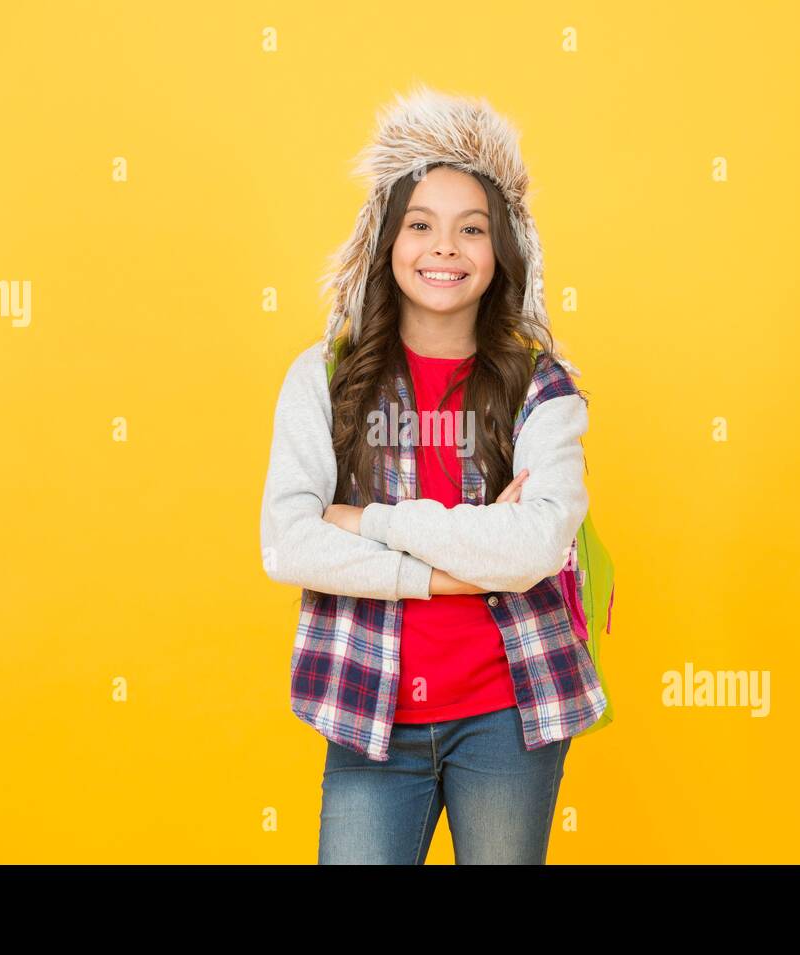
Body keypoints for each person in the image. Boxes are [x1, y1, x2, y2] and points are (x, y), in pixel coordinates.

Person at [259, 85, 607, 864]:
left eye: (471, 229)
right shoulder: (323, 381)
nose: (444, 249)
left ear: (502, 250)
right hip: (368, 705)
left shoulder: (542, 387)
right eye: (421, 225)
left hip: (510, 711)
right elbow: (287, 545)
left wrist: (365, 518)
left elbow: (534, 548)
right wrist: (448, 575)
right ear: (386, 241)